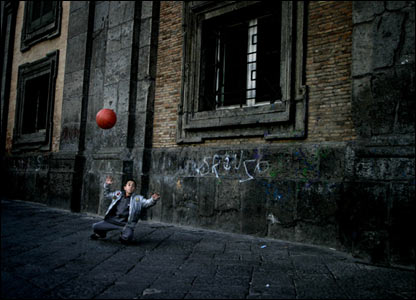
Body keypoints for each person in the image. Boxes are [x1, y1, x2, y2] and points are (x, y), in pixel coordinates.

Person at [90, 175, 160, 244]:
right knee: (95, 226)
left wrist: (153, 199)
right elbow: (107, 194)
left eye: (133, 186)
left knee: (127, 238)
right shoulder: (117, 194)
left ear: (134, 189)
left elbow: (147, 203)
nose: (130, 187)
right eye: (129, 185)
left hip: (125, 224)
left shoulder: (138, 199)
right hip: (112, 221)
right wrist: (107, 185)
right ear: (125, 187)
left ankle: (123, 235)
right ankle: (101, 234)